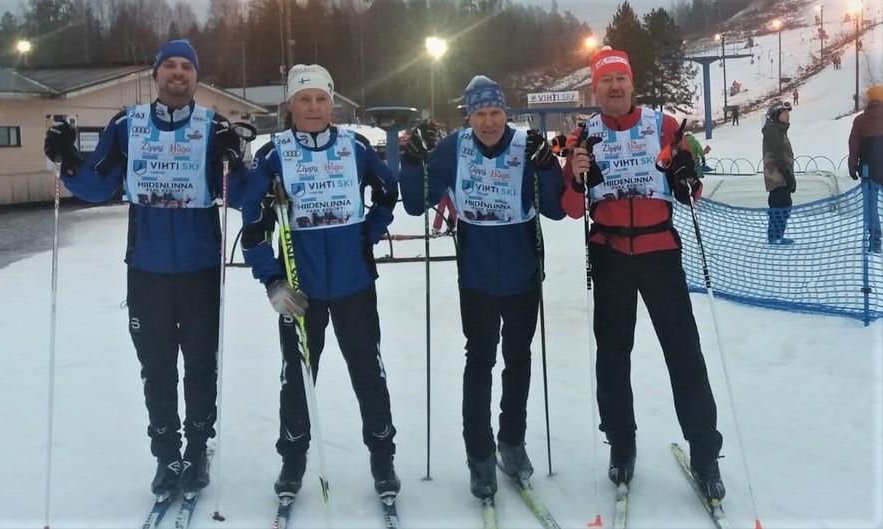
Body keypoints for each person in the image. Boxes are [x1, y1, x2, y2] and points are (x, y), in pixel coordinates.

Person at [42, 38, 246, 498]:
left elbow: (240, 194)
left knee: (200, 365)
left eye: (187, 66)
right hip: (147, 270)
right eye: (169, 65)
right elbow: (99, 185)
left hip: (198, 270)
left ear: (196, 77)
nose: (178, 73)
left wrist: (235, 159)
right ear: (156, 75)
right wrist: (67, 161)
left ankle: (197, 450)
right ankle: (166, 455)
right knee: (156, 367)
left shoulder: (213, 125)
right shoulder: (127, 125)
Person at [562, 46, 725, 502]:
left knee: (684, 353)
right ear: (594, 88)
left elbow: (691, 191)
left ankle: (705, 453)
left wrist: (687, 174)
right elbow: (571, 208)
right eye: (606, 80)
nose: (614, 87)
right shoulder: (583, 134)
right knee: (613, 356)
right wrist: (575, 176)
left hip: (659, 252)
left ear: (631, 83)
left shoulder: (663, 125)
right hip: (611, 254)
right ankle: (621, 442)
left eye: (621, 79)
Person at [238, 64, 401, 498]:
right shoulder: (274, 155)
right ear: (290, 106)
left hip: (354, 285)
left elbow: (388, 191)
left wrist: (368, 234)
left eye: (321, 99)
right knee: (297, 378)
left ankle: (382, 457)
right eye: (304, 99)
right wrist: (272, 280)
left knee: (369, 373)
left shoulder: (355, 147)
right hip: (300, 289)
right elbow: (252, 225)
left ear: (332, 104)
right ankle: (293, 461)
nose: (313, 107)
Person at [399, 75, 565, 499]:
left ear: (505, 113)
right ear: (468, 116)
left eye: (495, 113)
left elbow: (554, 209)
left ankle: (511, 441)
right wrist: (412, 161)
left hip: (523, 275)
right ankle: (479, 454)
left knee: (518, 359)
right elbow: (417, 202)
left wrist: (548, 166)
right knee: (480, 361)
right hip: (476, 277)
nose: (488, 122)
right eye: (479, 114)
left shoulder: (525, 145)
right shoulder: (454, 148)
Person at [848, 85, 883, 253]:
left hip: (869, 168)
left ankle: (875, 240)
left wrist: (852, 166)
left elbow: (854, 145)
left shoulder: (860, 120)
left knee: (871, 204)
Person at [762, 100, 796, 245]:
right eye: (784, 113)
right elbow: (778, 155)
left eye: (788, 112)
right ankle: (775, 236)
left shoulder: (778, 131)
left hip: (781, 177)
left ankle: (778, 235)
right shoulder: (773, 131)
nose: (788, 115)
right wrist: (787, 175)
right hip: (777, 177)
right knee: (779, 205)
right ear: (776, 115)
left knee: (785, 204)